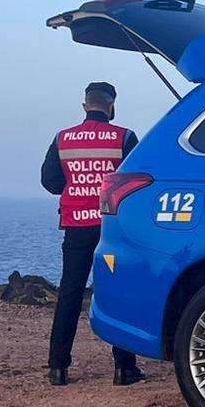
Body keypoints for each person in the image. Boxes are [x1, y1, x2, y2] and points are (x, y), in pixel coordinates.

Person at [40, 81, 145, 386]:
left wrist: (76, 188)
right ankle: (124, 368)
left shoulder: (63, 138)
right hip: (111, 225)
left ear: (85, 105)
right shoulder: (124, 137)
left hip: (76, 224)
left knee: (70, 292)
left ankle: (58, 367)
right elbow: (135, 180)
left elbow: (49, 180)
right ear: (111, 106)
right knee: (117, 290)